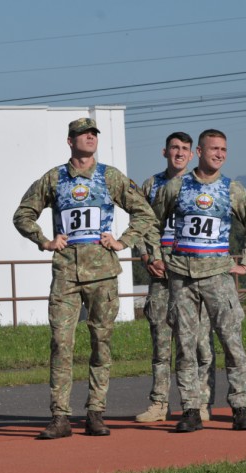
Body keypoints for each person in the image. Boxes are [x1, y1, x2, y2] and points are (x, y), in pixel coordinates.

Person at [13, 117, 160, 439]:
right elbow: (23, 214)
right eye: (83, 134)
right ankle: (60, 416)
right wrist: (44, 240)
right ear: (70, 141)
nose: (90, 137)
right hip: (66, 273)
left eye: (94, 133)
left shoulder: (110, 177)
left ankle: (96, 412)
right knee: (60, 343)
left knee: (100, 343)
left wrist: (123, 241)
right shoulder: (54, 178)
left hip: (103, 273)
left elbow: (144, 213)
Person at [148, 129, 246, 433]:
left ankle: (240, 407)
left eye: (223, 150)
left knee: (232, 343)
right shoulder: (175, 187)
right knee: (185, 346)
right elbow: (151, 223)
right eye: (214, 149)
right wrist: (157, 256)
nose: (219, 154)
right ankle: (191, 409)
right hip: (182, 277)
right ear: (199, 152)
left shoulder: (232, 189)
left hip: (218, 276)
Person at [134, 132, 217, 423]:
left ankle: (201, 402)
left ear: (193, 154)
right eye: (174, 148)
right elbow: (140, 225)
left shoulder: (205, 184)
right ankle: (159, 403)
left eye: (184, 149)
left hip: (195, 272)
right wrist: (147, 257)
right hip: (162, 270)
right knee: (161, 340)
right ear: (165, 152)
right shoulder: (151, 185)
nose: (179, 153)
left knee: (200, 341)